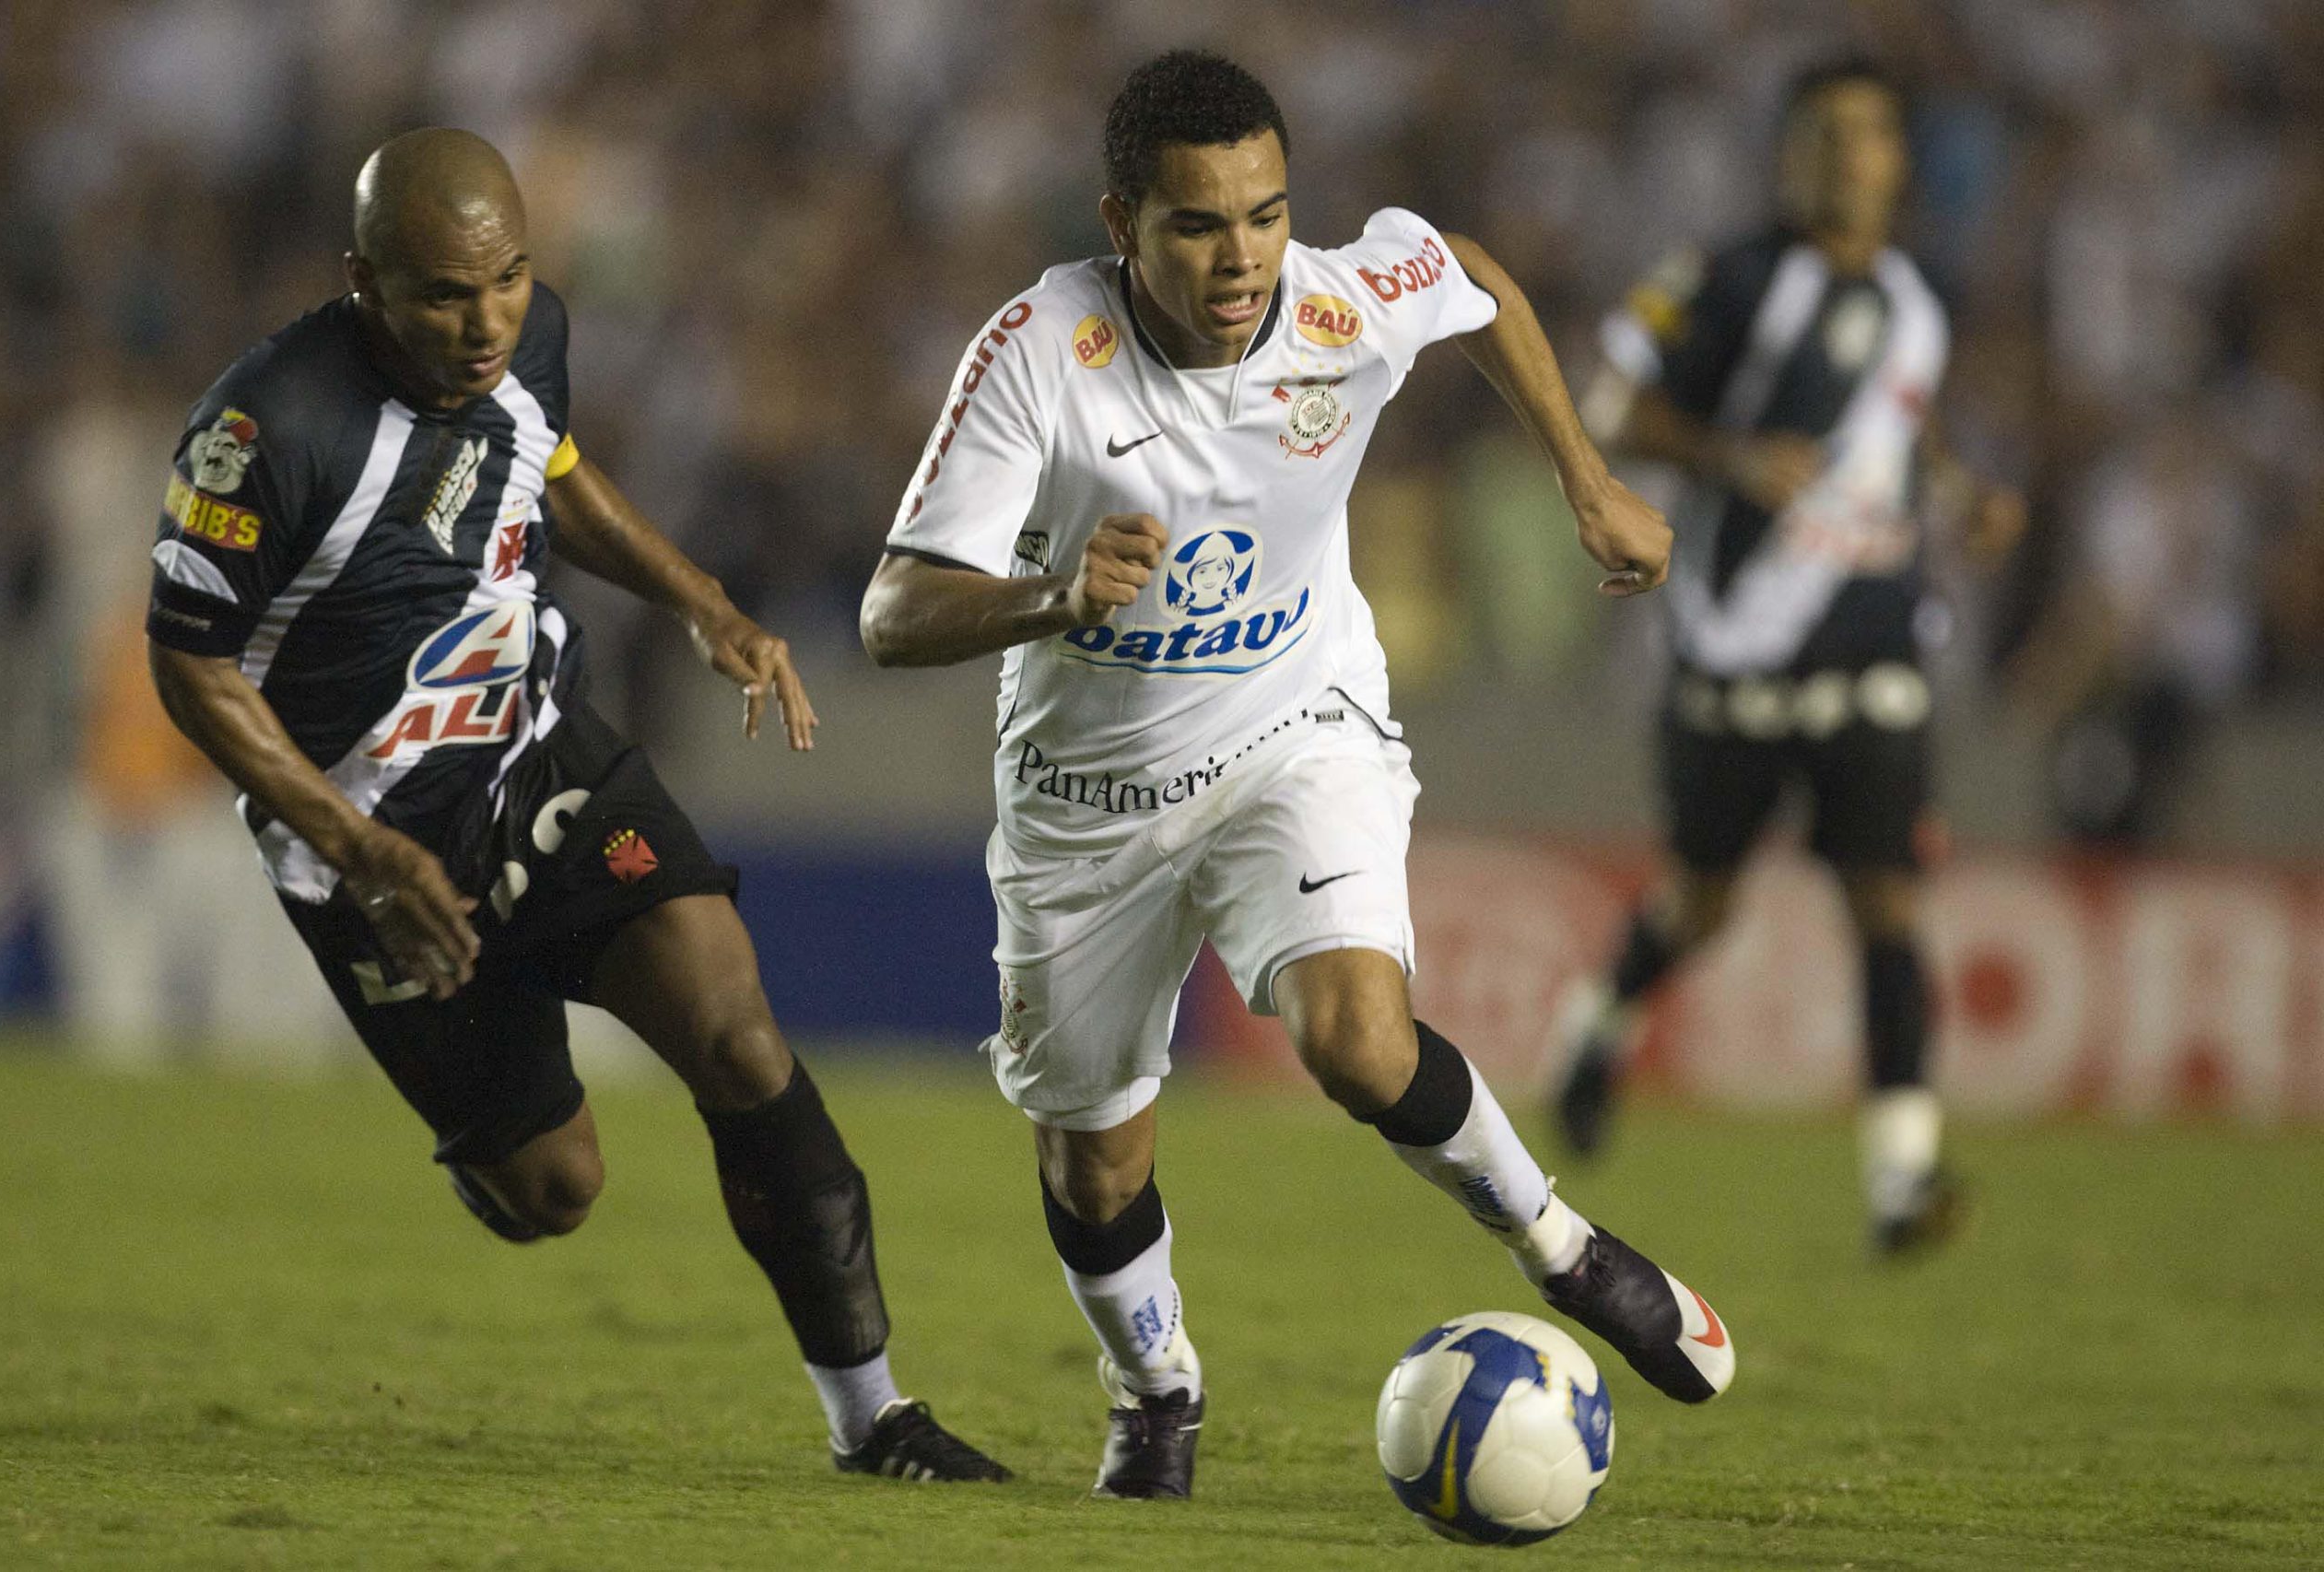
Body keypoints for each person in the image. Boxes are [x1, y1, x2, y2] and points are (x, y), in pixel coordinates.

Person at [859, 52, 1733, 1507]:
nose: (1243, 257)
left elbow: (1470, 276)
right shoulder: (1036, 353)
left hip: (1294, 729)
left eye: (1265, 215)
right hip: (1088, 801)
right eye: (1199, 225)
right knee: (1094, 1168)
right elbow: (894, 613)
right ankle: (1157, 1388)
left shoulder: (1339, 302)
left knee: (1359, 1040)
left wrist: (1585, 481)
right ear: (1120, 223)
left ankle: (1567, 1250)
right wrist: (1054, 596)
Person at [143, 128, 1006, 1483]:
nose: (487, 321)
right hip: (373, 842)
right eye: (445, 295)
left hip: (542, 754)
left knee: (739, 1038)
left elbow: (549, 464)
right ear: (362, 281)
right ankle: (493, 1142)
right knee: (555, 1190)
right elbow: (187, 664)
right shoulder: (265, 430)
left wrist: (700, 599)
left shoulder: (527, 335)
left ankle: (874, 1418)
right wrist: (353, 844)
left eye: (507, 280)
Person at [1559, 58, 2025, 1253]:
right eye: (1821, 133)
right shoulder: (1721, 278)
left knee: (1888, 905)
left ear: (1900, 160)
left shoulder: (1919, 299)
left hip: (1873, 647)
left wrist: (1963, 496)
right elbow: (1610, 408)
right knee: (1702, 899)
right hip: (1737, 648)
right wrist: (1731, 456)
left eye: (1867, 133)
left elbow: (1903, 422)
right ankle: (1599, 1027)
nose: (1843, 155)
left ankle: (1902, 1177)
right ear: (1786, 155)